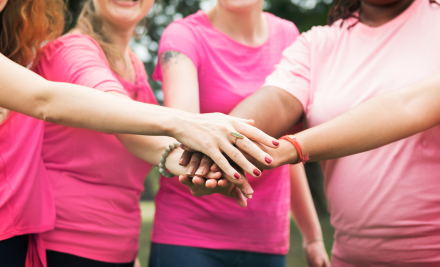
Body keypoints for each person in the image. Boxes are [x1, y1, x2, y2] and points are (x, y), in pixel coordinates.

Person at [0, 0, 279, 266]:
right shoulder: (71, 50)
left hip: (121, 246)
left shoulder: (134, 64)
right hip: (67, 246)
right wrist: (188, 128)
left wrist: (201, 167)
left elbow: (148, 141)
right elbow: (118, 117)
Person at [182, 0, 440, 265]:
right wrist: (215, 150)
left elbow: (409, 107)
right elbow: (278, 100)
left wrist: (292, 148)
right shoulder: (318, 43)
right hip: (351, 257)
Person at [150, 0, 330, 265]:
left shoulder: (289, 35)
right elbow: (184, 130)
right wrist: (202, 175)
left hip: (266, 237)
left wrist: (313, 237)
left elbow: (283, 149)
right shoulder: (184, 35)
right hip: (188, 235)